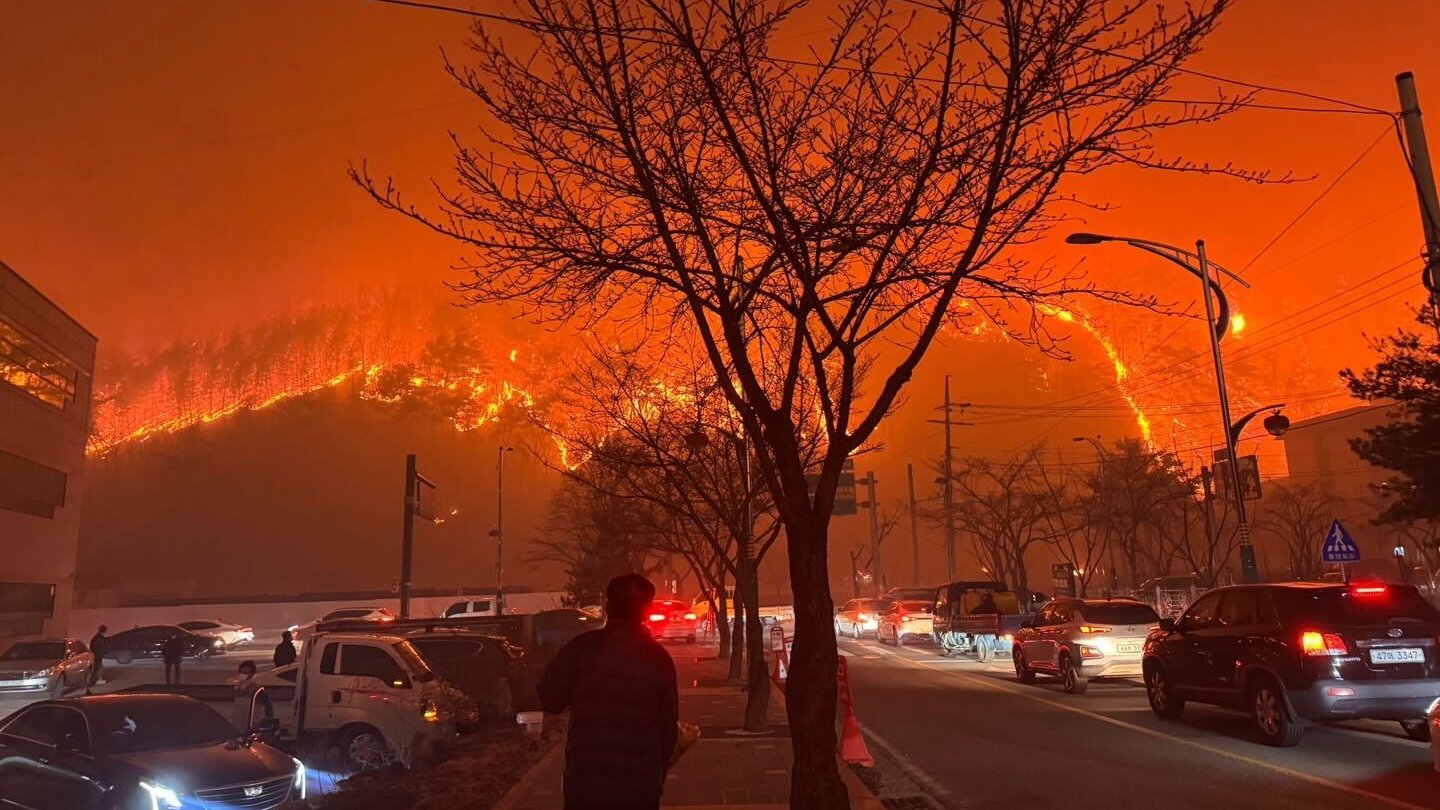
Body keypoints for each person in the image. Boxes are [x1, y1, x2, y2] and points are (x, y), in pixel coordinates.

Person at [539, 574, 678, 810]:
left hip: (586, 780)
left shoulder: (581, 648)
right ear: (646, 612)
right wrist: (658, 773)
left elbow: (550, 698)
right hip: (639, 782)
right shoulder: (658, 658)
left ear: (608, 606)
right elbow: (668, 728)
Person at [230, 660, 272, 730]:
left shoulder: (257, 689)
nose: (243, 674)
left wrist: (268, 722)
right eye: (242, 672)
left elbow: (268, 705)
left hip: (252, 727)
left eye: (246, 672)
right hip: (237, 726)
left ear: (252, 674)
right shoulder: (237, 687)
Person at [87, 625, 107, 693]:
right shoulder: (100, 638)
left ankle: (93, 680)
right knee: (98, 667)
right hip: (98, 655)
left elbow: (92, 646)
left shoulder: (95, 637)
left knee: (96, 667)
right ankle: (97, 680)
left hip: (95, 654)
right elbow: (101, 647)